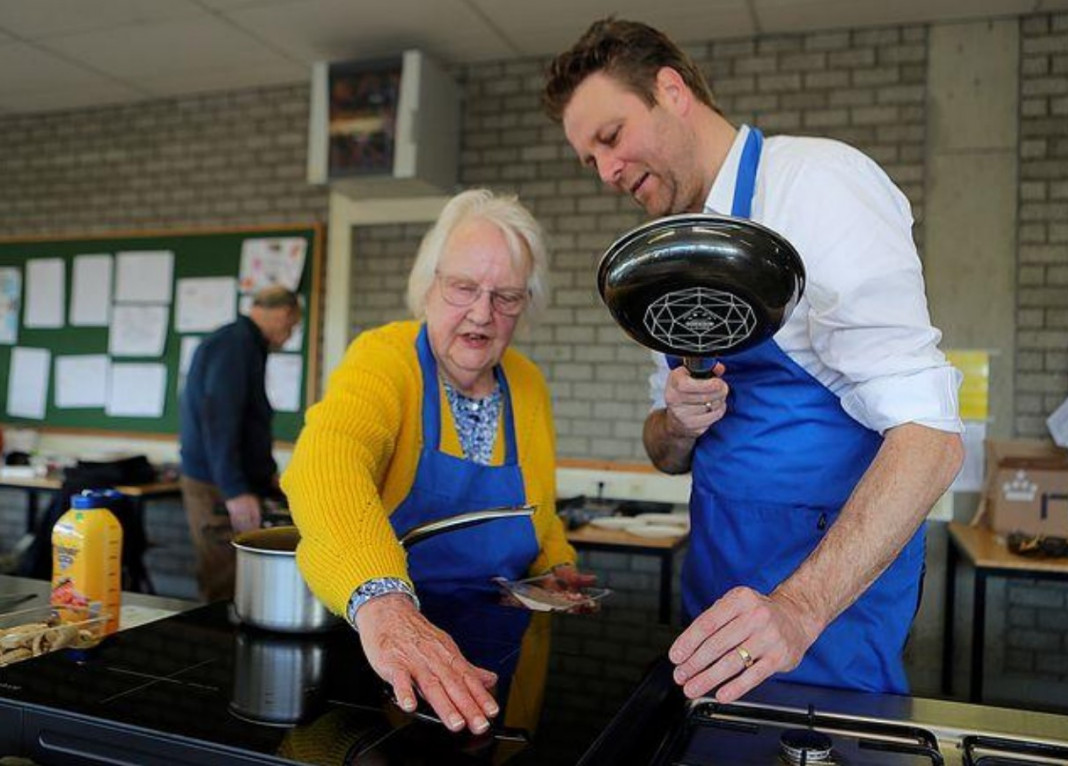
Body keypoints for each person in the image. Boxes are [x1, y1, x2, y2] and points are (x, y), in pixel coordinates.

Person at [543, 19, 965, 700]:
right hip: (715, 598)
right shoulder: (666, 250)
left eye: (611, 138)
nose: (607, 172)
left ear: (671, 90)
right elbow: (665, 452)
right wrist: (679, 421)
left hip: (823, 618)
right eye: (590, 161)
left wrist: (797, 609)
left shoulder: (817, 185)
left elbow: (930, 441)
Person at [283, 189, 592, 736]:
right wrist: (384, 604)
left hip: (500, 647)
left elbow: (536, 508)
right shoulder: (384, 358)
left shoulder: (527, 385)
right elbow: (327, 463)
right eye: (463, 288)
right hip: (388, 645)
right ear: (428, 287)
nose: (482, 313)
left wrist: (556, 563)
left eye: (506, 297)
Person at [179, 285, 301, 602]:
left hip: (232, 480)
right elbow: (220, 420)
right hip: (216, 485)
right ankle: (216, 649)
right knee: (225, 581)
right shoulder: (234, 345)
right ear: (285, 313)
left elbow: (247, 420)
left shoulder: (246, 343)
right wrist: (234, 489)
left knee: (242, 582)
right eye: (293, 326)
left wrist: (265, 475)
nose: (290, 335)